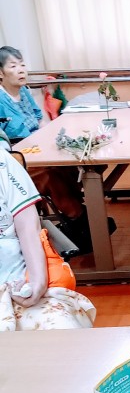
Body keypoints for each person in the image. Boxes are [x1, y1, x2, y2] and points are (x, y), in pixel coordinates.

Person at [0, 45, 114, 252]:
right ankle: (79, 219)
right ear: (1, 73)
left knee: (70, 163)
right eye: (13, 66)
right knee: (51, 173)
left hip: (38, 150)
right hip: (16, 162)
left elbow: (39, 119)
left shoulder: (23, 92)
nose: (21, 70)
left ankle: (83, 219)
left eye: (22, 65)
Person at [0, 148, 96, 330]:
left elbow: (28, 227)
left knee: (63, 328)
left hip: (14, 282)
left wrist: (38, 281)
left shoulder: (3, 162)